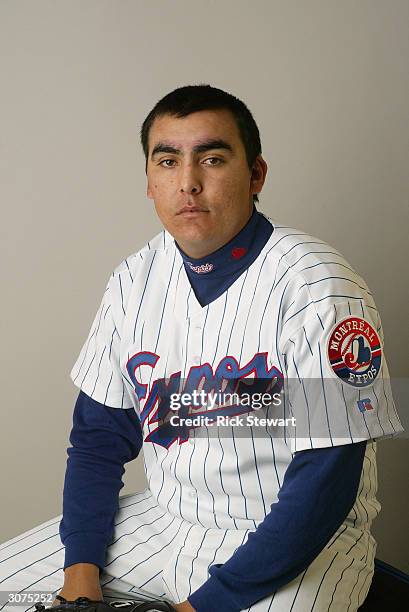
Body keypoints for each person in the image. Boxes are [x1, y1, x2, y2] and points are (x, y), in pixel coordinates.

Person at [0, 84, 403, 612]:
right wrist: (80, 577)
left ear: (256, 174)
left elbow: (328, 477)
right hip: (165, 520)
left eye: (212, 158)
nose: (187, 183)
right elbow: (98, 439)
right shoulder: (133, 280)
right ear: (149, 180)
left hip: (301, 542)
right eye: (167, 161)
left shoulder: (319, 284)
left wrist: (204, 606)